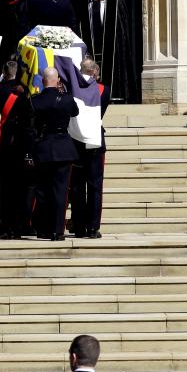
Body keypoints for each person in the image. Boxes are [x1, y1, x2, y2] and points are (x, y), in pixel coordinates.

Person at [0, 60, 35, 239]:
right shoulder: (23, 91)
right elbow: (29, 121)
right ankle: (21, 225)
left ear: (4, 72)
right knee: (21, 189)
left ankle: (8, 227)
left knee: (7, 189)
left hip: (6, 142)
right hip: (21, 144)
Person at [30, 67, 79, 240]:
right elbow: (75, 112)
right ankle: (57, 231)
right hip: (63, 147)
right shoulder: (66, 99)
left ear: (43, 81)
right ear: (57, 80)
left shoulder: (35, 100)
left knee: (43, 190)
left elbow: (32, 124)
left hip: (44, 147)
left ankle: (43, 229)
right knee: (60, 191)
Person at [83, 0, 136, 103]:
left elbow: (122, 18)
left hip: (111, 36)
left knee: (112, 62)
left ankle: (114, 94)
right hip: (94, 34)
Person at [70, 58, 111, 238]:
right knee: (95, 186)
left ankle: (79, 226)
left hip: (77, 141)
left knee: (77, 186)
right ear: (94, 72)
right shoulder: (103, 89)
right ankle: (93, 227)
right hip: (94, 141)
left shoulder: (73, 89)